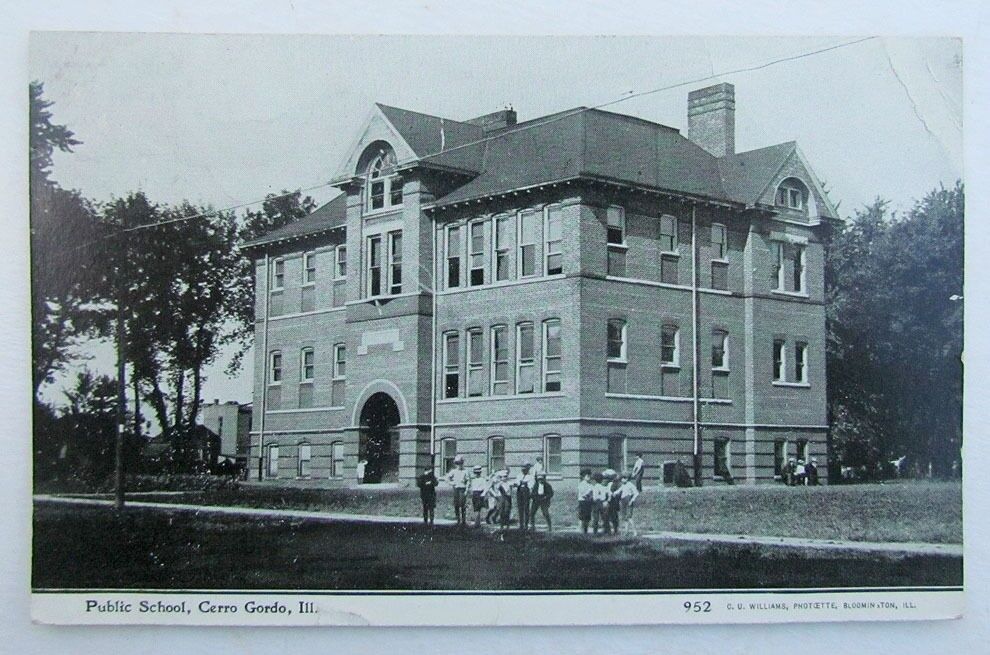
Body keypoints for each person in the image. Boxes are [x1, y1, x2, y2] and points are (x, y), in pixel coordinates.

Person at [445, 455, 470, 526]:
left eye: (460, 463)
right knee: (456, 504)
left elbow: (468, 481)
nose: (459, 465)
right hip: (456, 489)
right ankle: (458, 519)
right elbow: (446, 478)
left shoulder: (465, 471)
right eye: (458, 463)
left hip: (462, 489)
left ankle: (463, 520)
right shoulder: (453, 471)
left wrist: (466, 490)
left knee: (463, 505)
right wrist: (451, 483)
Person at [515, 461, 535, 531]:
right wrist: (518, 484)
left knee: (526, 509)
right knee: (520, 508)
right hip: (519, 493)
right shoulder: (519, 475)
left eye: (525, 469)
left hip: (526, 493)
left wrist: (525, 484)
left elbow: (531, 485)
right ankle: (521, 524)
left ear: (528, 469)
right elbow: (517, 483)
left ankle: (526, 524)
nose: (523, 470)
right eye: (523, 469)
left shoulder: (530, 476)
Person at [495, 470, 513, 535]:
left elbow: (511, 489)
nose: (504, 478)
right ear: (500, 477)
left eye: (505, 476)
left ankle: (507, 526)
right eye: (503, 477)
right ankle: (502, 526)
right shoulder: (499, 484)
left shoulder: (509, 483)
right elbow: (497, 488)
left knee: (507, 511)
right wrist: (499, 481)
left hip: (508, 498)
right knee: (501, 512)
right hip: (501, 498)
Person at [577, 468, 594, 533]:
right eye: (587, 476)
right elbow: (583, 494)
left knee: (587, 517)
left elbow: (592, 493)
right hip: (583, 502)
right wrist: (589, 494)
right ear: (583, 477)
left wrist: (591, 496)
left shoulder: (590, 485)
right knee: (582, 517)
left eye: (590, 476)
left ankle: (585, 530)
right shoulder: (581, 484)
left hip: (588, 502)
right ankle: (581, 530)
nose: (589, 477)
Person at [606, 470, 622, 535]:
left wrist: (614, 494)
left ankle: (615, 529)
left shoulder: (617, 484)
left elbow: (619, 493)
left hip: (614, 502)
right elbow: (607, 491)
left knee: (614, 516)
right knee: (609, 515)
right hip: (610, 501)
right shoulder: (609, 484)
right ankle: (610, 529)